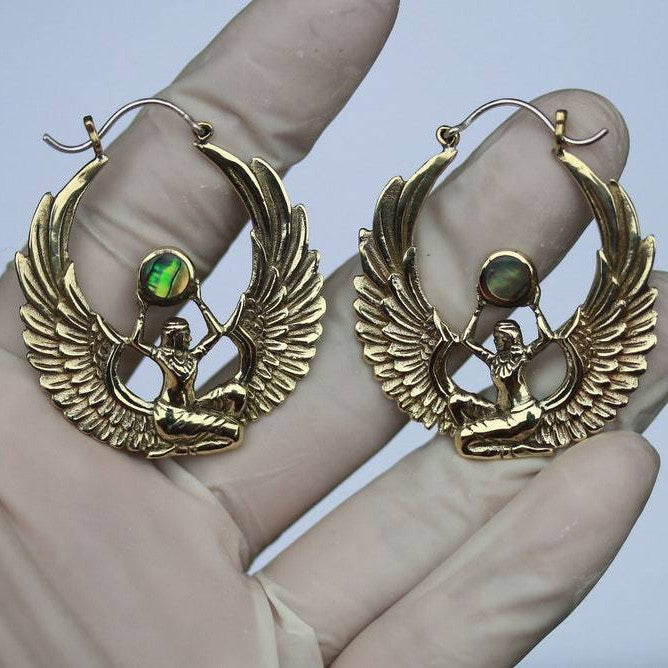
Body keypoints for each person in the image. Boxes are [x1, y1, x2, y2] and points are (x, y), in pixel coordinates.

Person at [0, 2, 665, 666]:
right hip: (172, 414)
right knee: (235, 404)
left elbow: (219, 340)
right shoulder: (159, 347)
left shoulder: (508, 353)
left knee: (246, 401)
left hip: (496, 411)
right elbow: (185, 347)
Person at [128, 279, 246, 456]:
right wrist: (143, 311)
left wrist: (198, 300)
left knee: (236, 391)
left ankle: (213, 427)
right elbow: (136, 342)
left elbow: (216, 332)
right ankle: (185, 448)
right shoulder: (163, 356)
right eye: (186, 336)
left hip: (191, 407)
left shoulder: (192, 357)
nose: (190, 339)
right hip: (170, 418)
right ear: (175, 338)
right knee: (236, 433)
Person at [447, 287, 557, 457]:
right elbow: (467, 341)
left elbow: (546, 337)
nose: (495, 341)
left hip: (523, 415)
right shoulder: (494, 360)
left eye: (499, 338)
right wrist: (478, 310)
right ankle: (489, 437)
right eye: (495, 338)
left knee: (463, 439)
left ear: (509, 339)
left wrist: (535, 308)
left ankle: (516, 448)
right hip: (501, 411)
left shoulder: (522, 356)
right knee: (456, 401)